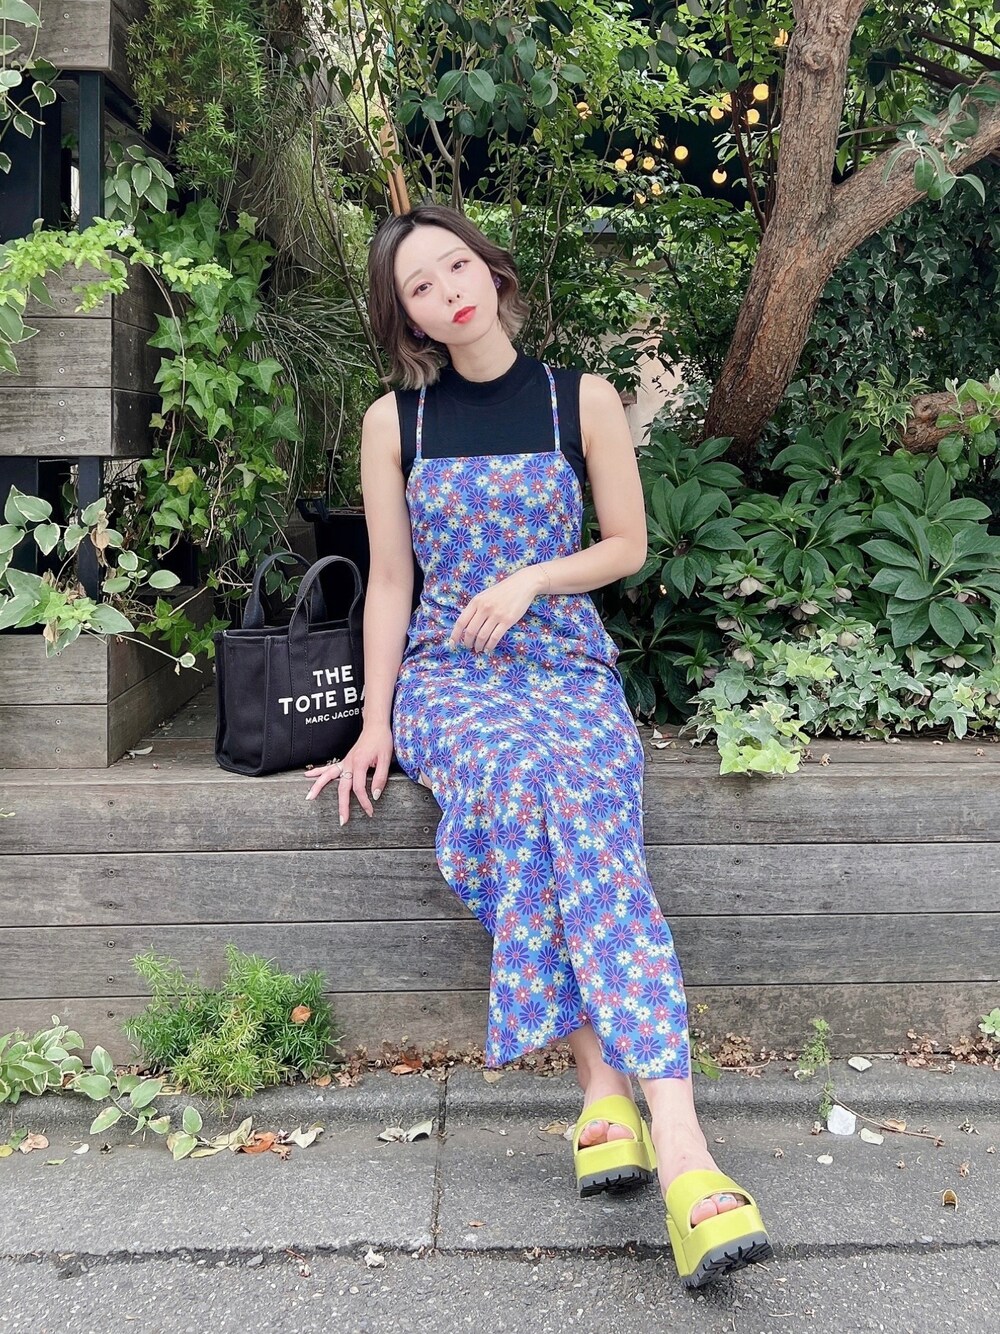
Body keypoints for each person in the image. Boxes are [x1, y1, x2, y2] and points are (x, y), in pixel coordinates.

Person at [304, 202, 769, 1287]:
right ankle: (658, 1129)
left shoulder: (580, 398)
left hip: (564, 664)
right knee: (521, 778)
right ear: (407, 317)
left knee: (579, 784)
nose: (447, 291)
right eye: (420, 287)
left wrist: (529, 580)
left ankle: (635, 1110)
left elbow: (627, 543)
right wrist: (375, 722)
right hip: (448, 678)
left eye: (454, 266)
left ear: (491, 269)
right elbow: (390, 582)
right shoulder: (395, 423)